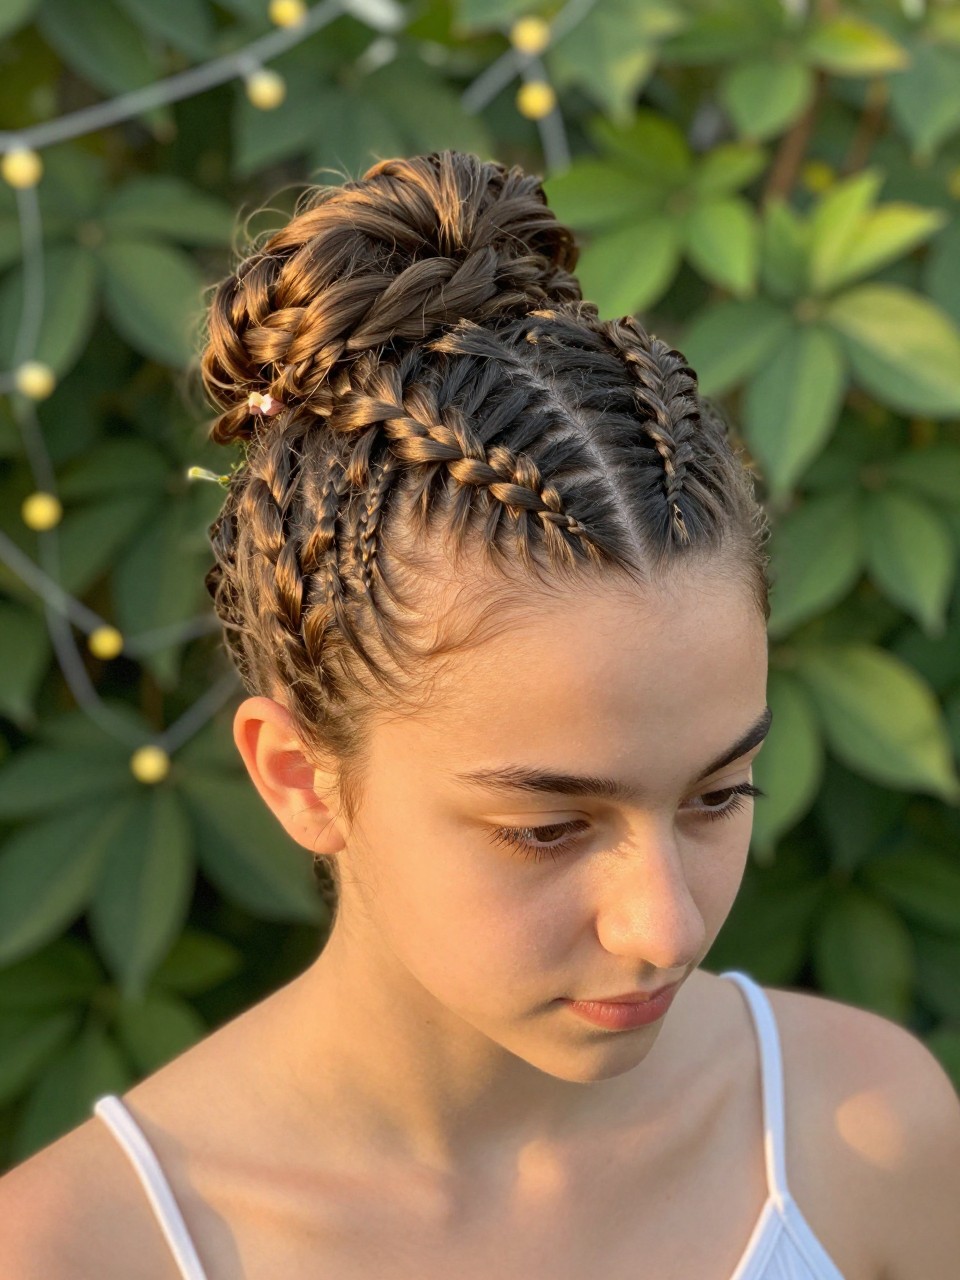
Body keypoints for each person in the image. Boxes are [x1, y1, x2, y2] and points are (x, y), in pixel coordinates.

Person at [1, 149, 958, 1280]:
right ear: (303, 776)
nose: (667, 928)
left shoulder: (866, 1133)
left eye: (717, 794)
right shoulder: (83, 1249)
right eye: (547, 827)